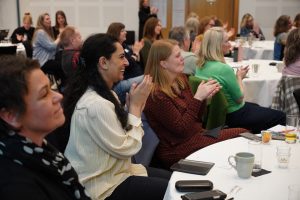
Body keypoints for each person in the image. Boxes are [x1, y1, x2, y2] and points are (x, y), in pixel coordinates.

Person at [63, 34, 171, 200]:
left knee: (175, 179)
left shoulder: (106, 94)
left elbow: (120, 136)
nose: (127, 62)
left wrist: (133, 107)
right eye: (121, 57)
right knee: (174, 189)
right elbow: (128, 149)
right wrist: (135, 108)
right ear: (103, 62)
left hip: (117, 173)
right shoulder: (95, 104)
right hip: (103, 187)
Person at [143, 39, 247, 168]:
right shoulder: (156, 95)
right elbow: (181, 129)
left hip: (195, 135)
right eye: (177, 56)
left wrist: (204, 99)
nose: (182, 58)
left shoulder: (180, 80)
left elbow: (197, 119)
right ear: (163, 64)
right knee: (242, 134)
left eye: (180, 54)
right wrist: (198, 98)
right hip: (177, 149)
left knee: (243, 133)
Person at [0, 55, 90, 200]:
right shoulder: (16, 186)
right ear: (12, 115)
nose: (59, 96)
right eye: (44, 94)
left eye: (51, 88)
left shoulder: (42, 149)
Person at [195, 27, 286, 134]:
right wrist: (239, 77)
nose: (230, 44)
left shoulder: (200, 65)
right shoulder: (224, 69)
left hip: (217, 116)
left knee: (256, 106)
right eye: (226, 41)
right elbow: (239, 98)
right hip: (234, 116)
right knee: (281, 116)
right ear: (218, 45)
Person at [107, 22, 144, 104]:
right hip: (121, 83)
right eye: (122, 30)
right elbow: (128, 64)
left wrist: (136, 53)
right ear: (115, 33)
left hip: (132, 77)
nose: (126, 32)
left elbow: (133, 62)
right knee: (151, 78)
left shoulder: (125, 46)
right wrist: (135, 53)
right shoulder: (112, 48)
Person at [32, 13, 65, 88]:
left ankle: (62, 84)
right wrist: (59, 38)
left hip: (48, 60)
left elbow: (55, 48)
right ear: (42, 21)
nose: (50, 21)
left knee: (63, 58)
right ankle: (63, 86)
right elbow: (51, 47)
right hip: (42, 62)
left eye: (49, 19)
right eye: (47, 19)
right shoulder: (40, 32)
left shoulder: (46, 32)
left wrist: (60, 43)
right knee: (62, 66)